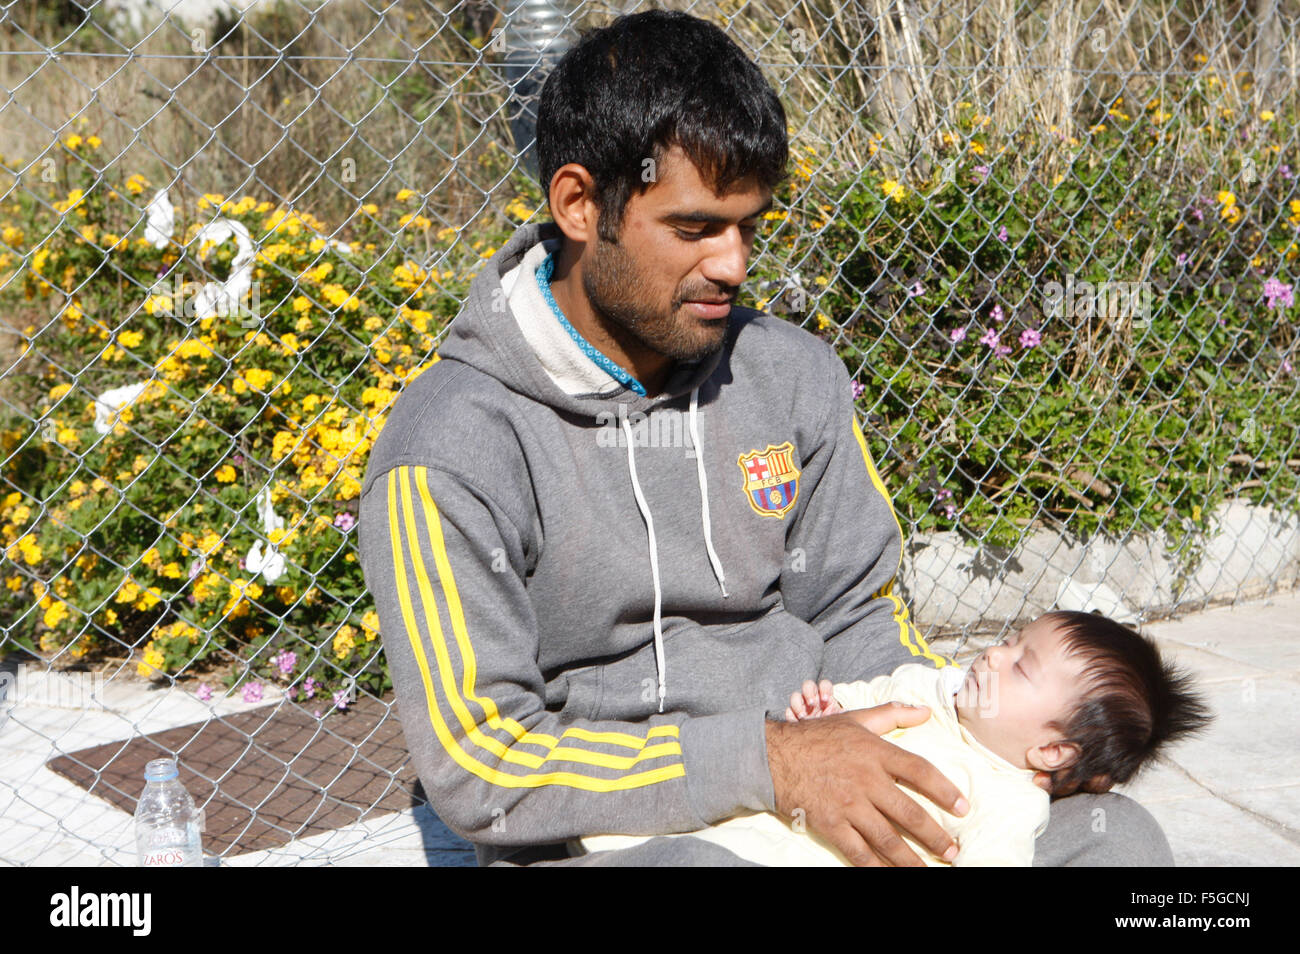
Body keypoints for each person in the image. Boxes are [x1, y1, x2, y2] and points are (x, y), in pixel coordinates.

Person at [357, 8, 1177, 866]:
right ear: (578, 204)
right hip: (620, 831)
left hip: (831, 772)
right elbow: (484, 764)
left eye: (749, 225)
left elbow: (857, 609)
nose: (733, 265)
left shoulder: (791, 375)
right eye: (695, 227)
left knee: (1114, 839)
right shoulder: (447, 449)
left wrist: (932, 752)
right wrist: (772, 763)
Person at [577, 609, 1212, 864]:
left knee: (1128, 846)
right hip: (755, 809)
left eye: (1019, 665)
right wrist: (821, 716)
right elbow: (851, 706)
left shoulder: (1008, 806)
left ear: (1050, 752)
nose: (992, 654)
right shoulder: (928, 692)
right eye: (1009, 639)